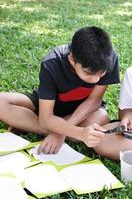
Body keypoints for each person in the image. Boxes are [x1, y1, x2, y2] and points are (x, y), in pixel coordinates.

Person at [0, 26, 120, 154]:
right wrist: (74, 132)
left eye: (101, 73)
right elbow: (46, 117)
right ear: (72, 60)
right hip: (48, 105)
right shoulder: (51, 63)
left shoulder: (109, 58)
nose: (96, 79)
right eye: (88, 73)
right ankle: (67, 132)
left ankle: (31, 125)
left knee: (102, 117)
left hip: (83, 111)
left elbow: (93, 101)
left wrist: (62, 130)